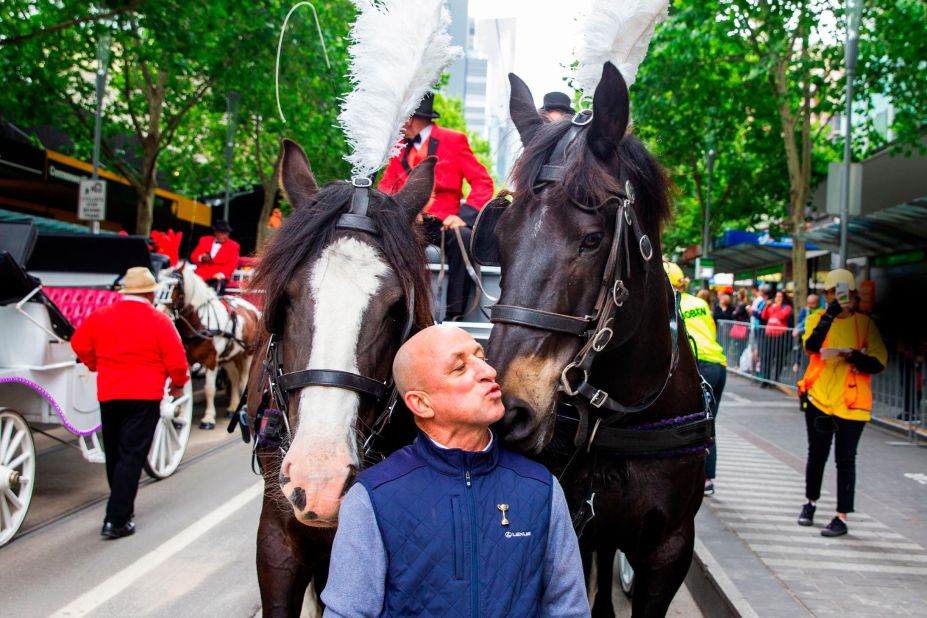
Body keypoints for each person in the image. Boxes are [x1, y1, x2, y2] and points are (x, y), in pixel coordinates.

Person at [321, 325, 589, 616]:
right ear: (421, 404)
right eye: (460, 367)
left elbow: (569, 609)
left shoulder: (540, 488)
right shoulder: (373, 497)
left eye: (482, 358)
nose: (488, 372)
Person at [70, 267, 189, 539]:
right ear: (149, 293)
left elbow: (78, 344)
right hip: (144, 394)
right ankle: (117, 519)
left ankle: (120, 504)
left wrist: (95, 364)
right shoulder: (159, 321)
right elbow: (176, 359)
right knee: (132, 454)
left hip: (109, 392)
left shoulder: (100, 316)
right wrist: (178, 382)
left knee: (114, 451)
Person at [379, 93, 495, 320]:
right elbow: (385, 186)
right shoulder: (399, 147)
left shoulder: (454, 141)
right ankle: (391, 309)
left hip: (444, 223)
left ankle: (454, 314)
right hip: (406, 222)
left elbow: (482, 182)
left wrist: (464, 215)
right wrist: (401, 211)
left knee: (463, 236)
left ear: (410, 118)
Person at [797, 269, 887, 537]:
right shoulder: (817, 318)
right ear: (826, 295)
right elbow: (811, 346)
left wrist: (854, 357)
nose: (838, 298)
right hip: (820, 400)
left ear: (855, 296)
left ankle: (842, 516)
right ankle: (810, 503)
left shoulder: (866, 325)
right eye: (833, 294)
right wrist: (829, 314)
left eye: (843, 294)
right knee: (817, 455)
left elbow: (879, 362)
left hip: (852, 404)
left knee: (845, 460)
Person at [665, 263, 726, 496]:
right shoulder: (699, 303)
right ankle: (707, 477)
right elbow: (710, 330)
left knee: (697, 426)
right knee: (709, 422)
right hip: (718, 364)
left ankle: (701, 478)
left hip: (698, 363)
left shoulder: (670, 303)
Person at [190, 219, 240, 294]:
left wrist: (221, 274)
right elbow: (193, 256)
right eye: (223, 233)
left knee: (218, 286)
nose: (225, 236)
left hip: (218, 276)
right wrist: (201, 258)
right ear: (216, 233)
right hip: (202, 273)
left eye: (227, 233)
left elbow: (232, 264)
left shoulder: (233, 246)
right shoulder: (204, 240)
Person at [761, 290, 794, 383]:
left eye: (780, 296)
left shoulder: (786, 307)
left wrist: (777, 306)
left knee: (779, 357)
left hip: (780, 335)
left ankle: (776, 378)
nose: (778, 298)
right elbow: (764, 316)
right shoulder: (771, 306)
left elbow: (781, 316)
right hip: (769, 335)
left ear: (783, 298)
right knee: (767, 357)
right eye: (777, 296)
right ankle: (766, 379)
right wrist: (766, 306)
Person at [792, 293, 822, 373]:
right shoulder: (808, 311)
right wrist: (798, 328)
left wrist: (799, 330)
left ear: (818, 302)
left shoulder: (820, 312)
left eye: (813, 303)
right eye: (809, 303)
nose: (810, 305)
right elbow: (804, 321)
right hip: (807, 341)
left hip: (815, 342)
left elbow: (811, 326)